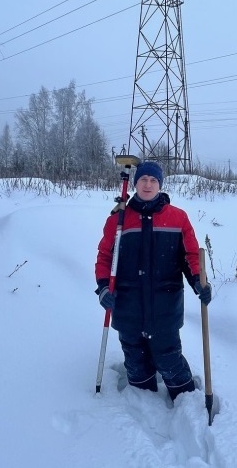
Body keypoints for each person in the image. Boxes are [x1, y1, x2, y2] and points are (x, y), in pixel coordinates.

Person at [94, 160, 212, 401]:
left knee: (168, 356)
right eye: (143, 180)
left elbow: (190, 255)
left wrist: (199, 282)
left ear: (161, 184)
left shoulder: (178, 218)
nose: (148, 185)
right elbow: (105, 256)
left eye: (153, 180)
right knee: (135, 357)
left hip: (165, 304)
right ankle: (142, 399)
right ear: (135, 183)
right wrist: (104, 287)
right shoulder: (118, 221)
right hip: (127, 304)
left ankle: (185, 399)